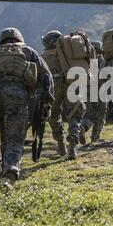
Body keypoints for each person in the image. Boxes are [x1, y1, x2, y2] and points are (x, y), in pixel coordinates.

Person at [0, 27, 54, 189]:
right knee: (15, 138)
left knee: (5, 132)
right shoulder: (28, 51)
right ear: (19, 39)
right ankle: (9, 176)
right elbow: (46, 77)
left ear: (1, 41)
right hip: (17, 94)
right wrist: (46, 101)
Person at [42, 30, 86, 159]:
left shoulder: (44, 56)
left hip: (53, 86)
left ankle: (61, 142)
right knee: (75, 114)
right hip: (71, 83)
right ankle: (72, 147)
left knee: (54, 115)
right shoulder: (69, 53)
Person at [80, 41, 108, 143]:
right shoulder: (102, 60)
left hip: (86, 91)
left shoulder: (85, 60)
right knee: (100, 116)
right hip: (101, 91)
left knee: (88, 115)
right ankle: (95, 138)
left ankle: (83, 127)